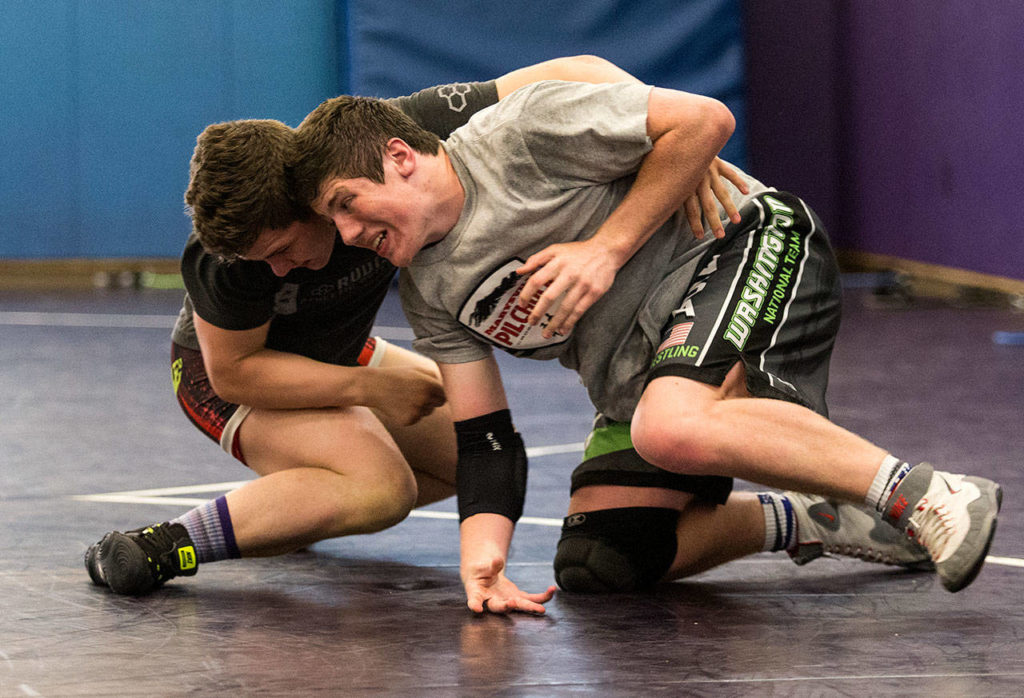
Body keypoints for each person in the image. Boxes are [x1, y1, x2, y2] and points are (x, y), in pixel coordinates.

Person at [294, 75, 1002, 614]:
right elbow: (482, 434)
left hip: (739, 244)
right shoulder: (428, 287)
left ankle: (929, 493)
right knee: (601, 560)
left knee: (673, 426)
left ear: (399, 157)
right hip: (640, 368)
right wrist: (482, 556)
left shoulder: (519, 134)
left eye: (347, 205)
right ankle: (816, 517)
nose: (350, 235)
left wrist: (607, 246)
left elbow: (703, 118)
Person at [84, 56, 684, 596]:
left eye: (285, 248)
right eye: (263, 261)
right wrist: (368, 389)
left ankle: (299, 509)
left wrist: (668, 142)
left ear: (312, 202)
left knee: (476, 454)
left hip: (339, 354)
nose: (278, 268)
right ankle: (164, 545)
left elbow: (579, 70)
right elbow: (237, 373)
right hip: (225, 375)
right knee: (381, 489)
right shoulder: (230, 260)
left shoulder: (376, 151)